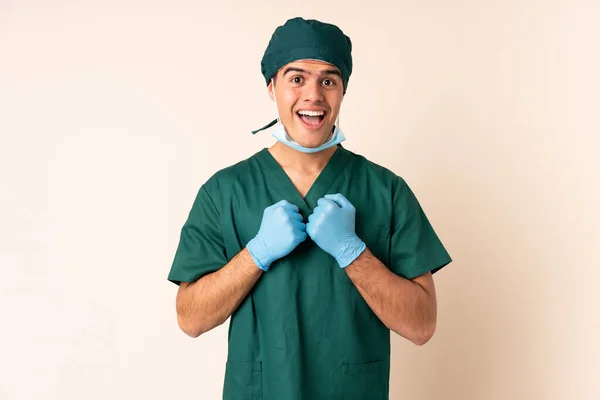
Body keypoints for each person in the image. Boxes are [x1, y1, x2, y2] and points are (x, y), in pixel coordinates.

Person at [168, 16, 452, 400]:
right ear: (272, 87)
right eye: (296, 78)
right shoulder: (225, 192)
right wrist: (257, 253)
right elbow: (190, 318)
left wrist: (353, 252)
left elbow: (422, 325)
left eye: (328, 81)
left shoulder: (386, 191)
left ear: (342, 91)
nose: (313, 95)